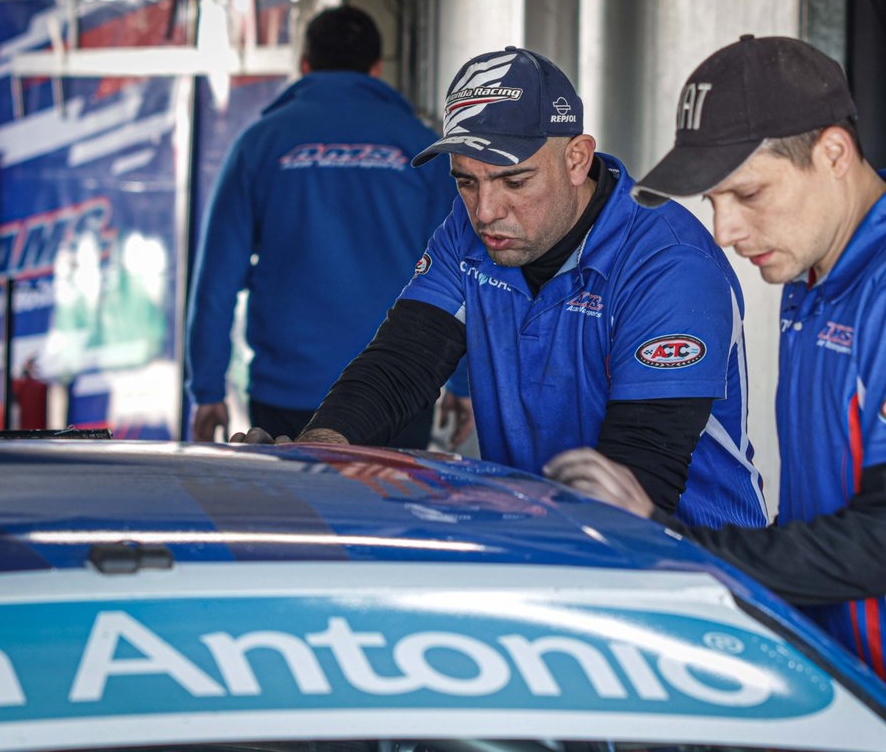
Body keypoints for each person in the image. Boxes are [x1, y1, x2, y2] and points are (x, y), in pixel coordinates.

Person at [545, 36, 886, 752]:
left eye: (747, 194)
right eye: (714, 201)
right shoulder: (817, 268)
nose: (726, 230)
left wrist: (666, 537)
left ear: (834, 153)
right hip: (842, 678)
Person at [256, 46, 767, 530]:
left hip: (690, 564)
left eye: (515, 182)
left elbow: (638, 475)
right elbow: (404, 361)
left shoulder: (667, 262)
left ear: (576, 159)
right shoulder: (470, 229)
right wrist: (318, 451)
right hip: (544, 534)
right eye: (466, 181)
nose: (485, 211)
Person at [185, 5, 460, 446]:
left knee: (294, 516)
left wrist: (207, 389)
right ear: (376, 69)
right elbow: (460, 274)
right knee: (386, 515)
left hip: (287, 396)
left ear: (305, 65)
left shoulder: (261, 143)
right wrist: (463, 384)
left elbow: (216, 281)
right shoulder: (422, 147)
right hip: (399, 393)